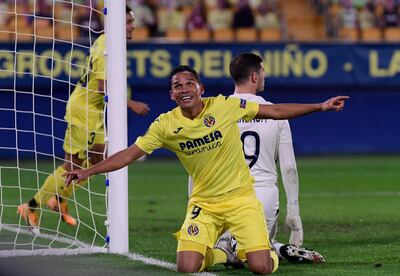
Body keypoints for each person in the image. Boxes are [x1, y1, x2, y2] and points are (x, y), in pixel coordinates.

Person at [64, 65, 348, 273]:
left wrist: (319, 106)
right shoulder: (165, 125)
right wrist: (89, 171)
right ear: (171, 94)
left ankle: (277, 251)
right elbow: (130, 153)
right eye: (178, 86)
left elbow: (274, 112)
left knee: (261, 267)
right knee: (188, 266)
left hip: (241, 199)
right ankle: (228, 255)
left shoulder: (224, 106)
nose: (184, 89)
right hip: (205, 204)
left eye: (190, 84)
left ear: (201, 88)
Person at [17, 5, 150, 233]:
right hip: (85, 112)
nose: (132, 26)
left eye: (132, 21)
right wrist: (131, 104)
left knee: (86, 164)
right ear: (114, 24)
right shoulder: (106, 46)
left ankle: (54, 199)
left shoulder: (109, 44)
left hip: (88, 109)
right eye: (127, 22)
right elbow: (101, 86)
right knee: (88, 165)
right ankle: (34, 205)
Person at [188, 53, 324, 265]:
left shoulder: (214, 113)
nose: (265, 75)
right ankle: (272, 248)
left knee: (219, 249)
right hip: (263, 199)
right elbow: (289, 169)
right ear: (254, 77)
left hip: (220, 198)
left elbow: (197, 167)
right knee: (256, 254)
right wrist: (294, 215)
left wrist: (193, 206)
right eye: (263, 71)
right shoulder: (278, 115)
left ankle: (231, 248)